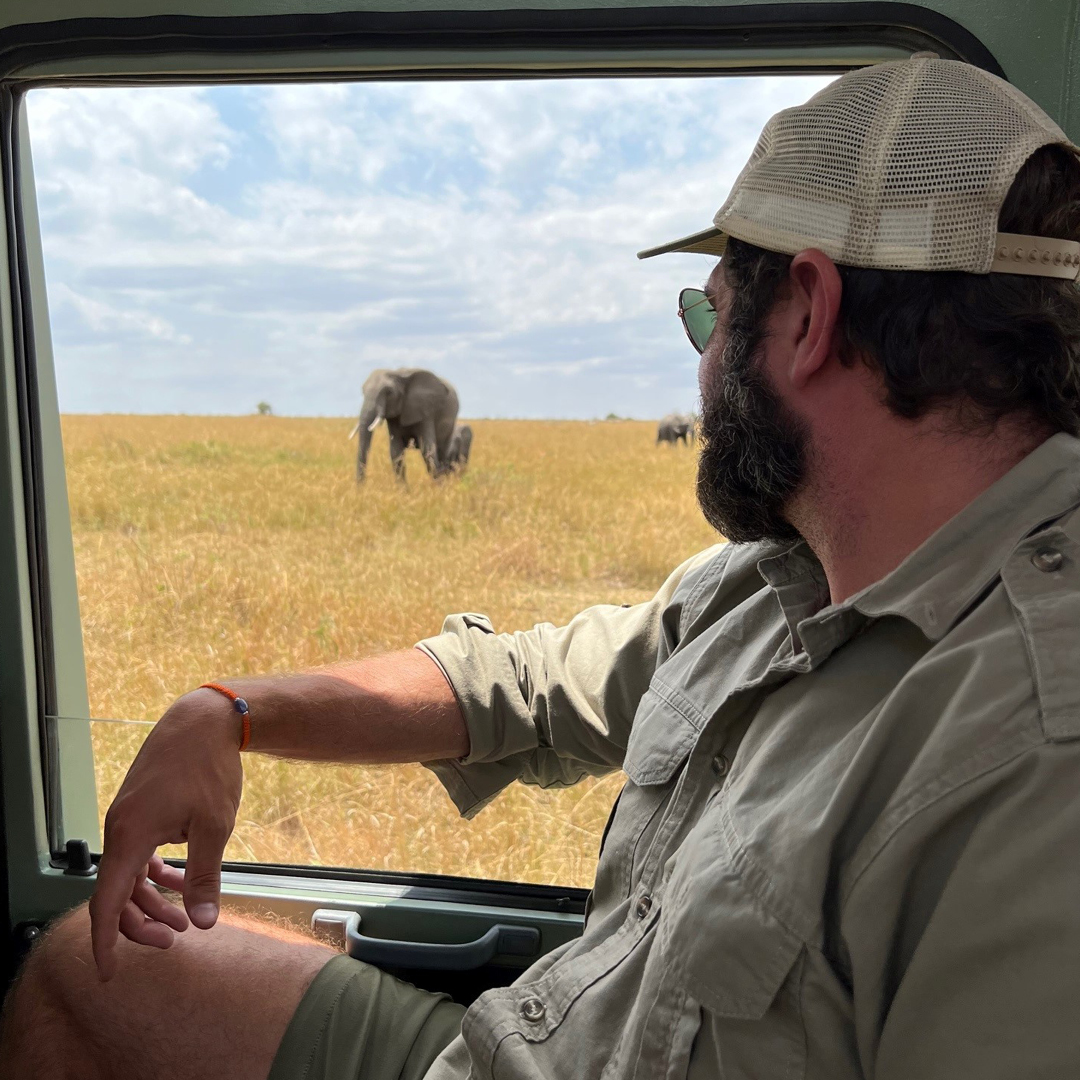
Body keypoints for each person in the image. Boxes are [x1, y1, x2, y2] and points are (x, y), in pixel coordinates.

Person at [4, 55, 1080, 1079]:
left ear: (807, 313)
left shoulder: (1033, 750)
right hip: (535, 1041)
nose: (702, 361)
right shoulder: (779, 585)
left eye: (708, 312)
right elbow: (518, 684)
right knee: (86, 971)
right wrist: (230, 709)